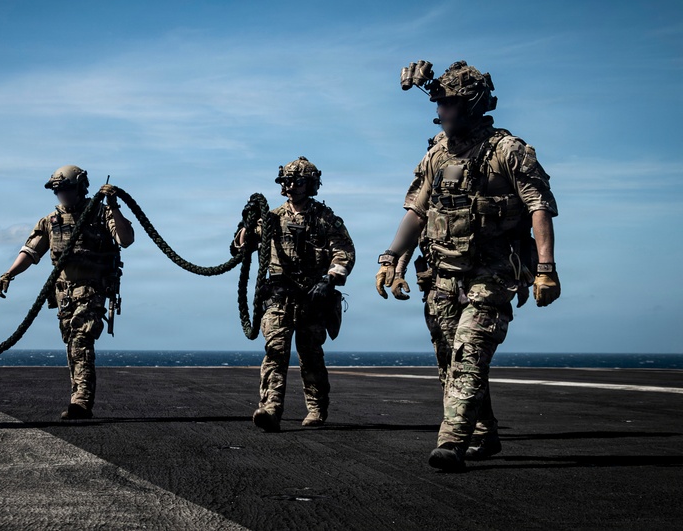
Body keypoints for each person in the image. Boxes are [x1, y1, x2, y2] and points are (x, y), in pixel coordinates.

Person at [376, 61, 561, 471]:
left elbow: (539, 207)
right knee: (449, 358)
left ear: (472, 105)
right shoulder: (436, 155)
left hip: (493, 271)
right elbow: (416, 213)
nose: (440, 112)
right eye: (439, 103)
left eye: (449, 104)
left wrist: (546, 267)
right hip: (442, 274)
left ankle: (452, 440)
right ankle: (483, 432)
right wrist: (391, 259)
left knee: (469, 353)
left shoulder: (508, 151)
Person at [0, 165, 134, 420]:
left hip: (92, 288)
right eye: (58, 191)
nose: (62, 195)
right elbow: (31, 251)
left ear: (80, 188)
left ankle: (80, 403)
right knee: (71, 342)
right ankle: (77, 397)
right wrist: (9, 273)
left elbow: (125, 239)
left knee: (81, 338)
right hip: (64, 294)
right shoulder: (51, 221)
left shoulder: (100, 213)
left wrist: (114, 206)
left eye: (67, 190)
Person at [233, 157, 355, 432]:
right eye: (286, 181)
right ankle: (270, 408)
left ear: (310, 185)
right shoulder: (271, 218)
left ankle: (316, 408)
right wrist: (245, 224)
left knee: (310, 354)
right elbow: (241, 247)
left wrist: (331, 278)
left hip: (313, 296)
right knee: (274, 352)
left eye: (297, 182)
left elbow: (344, 252)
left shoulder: (325, 219)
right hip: (279, 296)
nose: (291, 187)